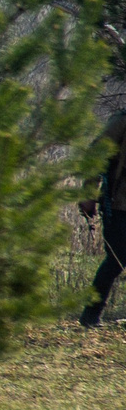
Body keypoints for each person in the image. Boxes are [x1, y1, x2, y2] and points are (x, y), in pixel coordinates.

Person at [82, 111, 126, 327]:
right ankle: (91, 314)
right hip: (119, 204)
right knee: (117, 259)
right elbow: (96, 154)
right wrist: (89, 193)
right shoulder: (122, 121)